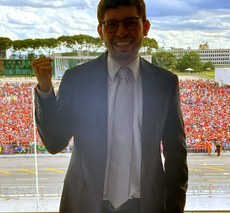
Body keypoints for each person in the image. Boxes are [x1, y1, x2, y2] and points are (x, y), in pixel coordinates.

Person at [32, 0, 188, 212]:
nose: (121, 32)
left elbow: (176, 153)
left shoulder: (165, 83)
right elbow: (54, 142)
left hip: (147, 205)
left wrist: (174, 207)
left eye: (130, 23)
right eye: (112, 24)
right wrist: (44, 89)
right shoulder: (77, 79)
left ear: (146, 27)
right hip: (85, 203)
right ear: (100, 30)